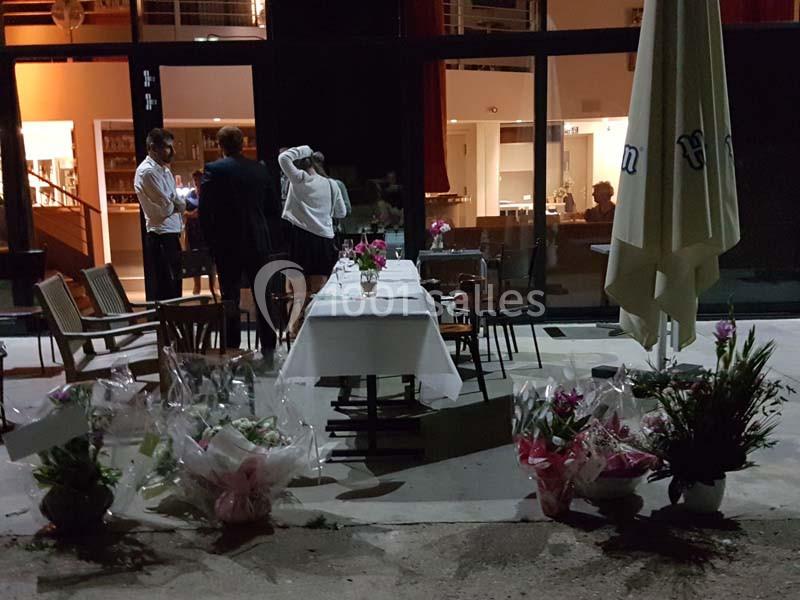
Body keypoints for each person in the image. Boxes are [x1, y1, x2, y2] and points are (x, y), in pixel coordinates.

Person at [200, 126, 281, 355]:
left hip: (228, 244)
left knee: (230, 298)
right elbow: (273, 208)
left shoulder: (214, 170)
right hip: (258, 241)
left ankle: (233, 347)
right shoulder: (259, 169)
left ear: (220, 145)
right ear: (242, 144)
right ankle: (268, 346)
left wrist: (211, 244)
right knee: (262, 294)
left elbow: (205, 213)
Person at [280, 145, 347, 315]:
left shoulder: (299, 178)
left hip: (300, 237)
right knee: (321, 287)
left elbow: (283, 158)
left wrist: (305, 148)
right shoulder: (332, 184)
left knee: (297, 288)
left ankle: (295, 330)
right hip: (324, 238)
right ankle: (320, 324)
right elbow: (341, 212)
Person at [134, 128, 186, 301]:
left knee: (175, 286)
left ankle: (176, 326)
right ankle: (166, 327)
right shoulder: (147, 172)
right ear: (152, 148)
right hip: (160, 235)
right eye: (167, 147)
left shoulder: (164, 170)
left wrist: (175, 205)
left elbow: (177, 202)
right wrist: (175, 205)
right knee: (166, 289)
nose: (172, 152)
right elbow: (167, 206)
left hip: (171, 233)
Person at [184, 169, 217, 297]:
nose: (197, 182)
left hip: (207, 230)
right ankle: (196, 287)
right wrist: (191, 214)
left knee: (210, 259)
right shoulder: (189, 196)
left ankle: (212, 287)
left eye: (199, 179)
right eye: (195, 179)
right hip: (193, 231)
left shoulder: (210, 195)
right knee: (194, 259)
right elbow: (183, 212)